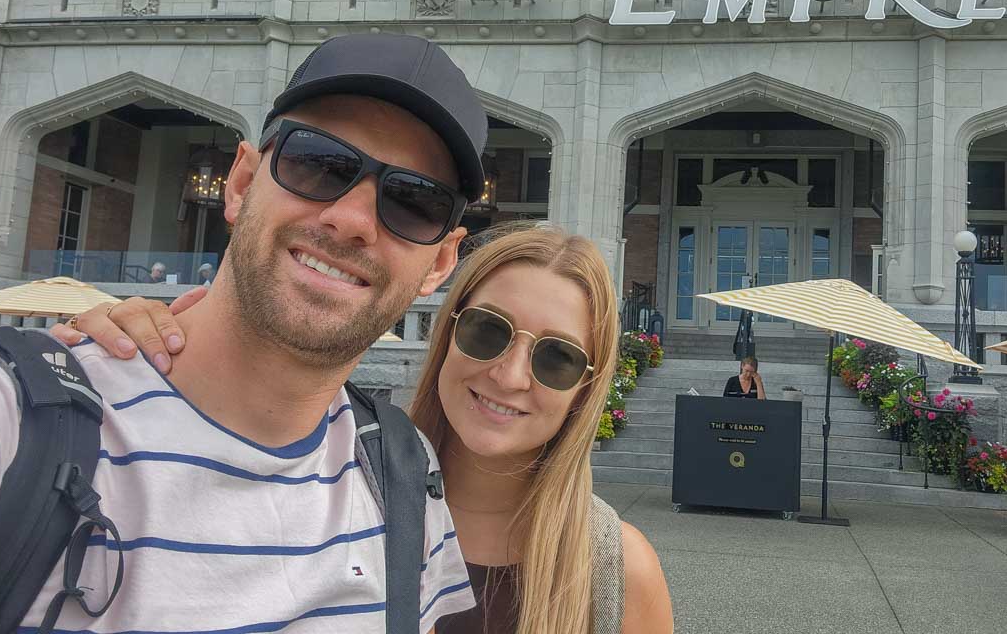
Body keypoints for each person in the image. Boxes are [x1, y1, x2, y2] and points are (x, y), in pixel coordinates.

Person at [0, 32, 488, 631]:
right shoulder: (6, 421)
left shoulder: (402, 476)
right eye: (320, 163)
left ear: (442, 263)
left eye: (414, 201)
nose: (351, 221)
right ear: (241, 184)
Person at [53, 224, 675, 634]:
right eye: (487, 330)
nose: (511, 375)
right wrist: (133, 354)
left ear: (586, 388)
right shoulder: (324, 491)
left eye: (556, 358)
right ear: (447, 333)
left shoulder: (616, 571)